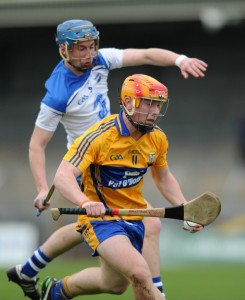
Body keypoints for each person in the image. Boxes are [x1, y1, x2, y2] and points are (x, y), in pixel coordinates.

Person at [6, 19, 207, 300]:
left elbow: (147, 54)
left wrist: (180, 60)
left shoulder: (101, 60)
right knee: (140, 227)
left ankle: (31, 273)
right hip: (87, 165)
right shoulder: (58, 94)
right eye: (81, 49)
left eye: (92, 46)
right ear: (64, 49)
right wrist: (42, 187)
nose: (88, 54)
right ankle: (156, 291)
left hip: (120, 145)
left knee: (112, 279)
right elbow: (36, 146)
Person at [40, 74, 204, 300]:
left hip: (134, 219)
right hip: (101, 220)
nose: (155, 111)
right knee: (139, 273)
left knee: (113, 284)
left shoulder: (157, 138)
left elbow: (163, 178)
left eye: (158, 105)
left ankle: (58, 291)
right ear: (128, 103)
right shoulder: (100, 137)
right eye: (148, 103)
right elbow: (63, 175)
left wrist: (184, 206)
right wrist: (85, 202)